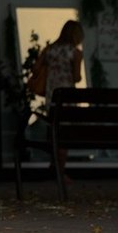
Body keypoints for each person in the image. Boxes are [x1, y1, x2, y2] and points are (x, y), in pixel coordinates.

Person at [42, 20, 85, 180]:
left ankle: (53, 168)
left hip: (51, 97)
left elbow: (39, 69)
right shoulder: (75, 52)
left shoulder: (50, 50)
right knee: (64, 135)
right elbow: (76, 77)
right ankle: (60, 172)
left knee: (54, 131)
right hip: (66, 98)